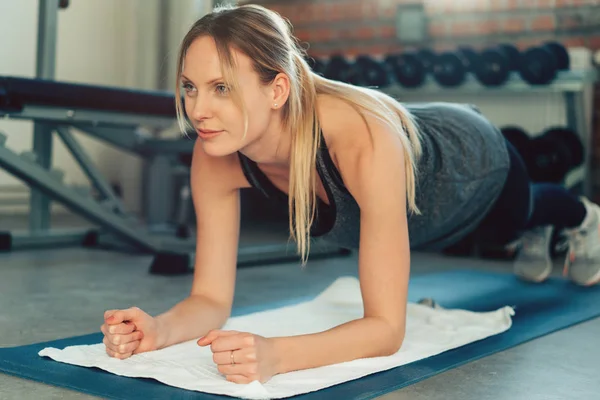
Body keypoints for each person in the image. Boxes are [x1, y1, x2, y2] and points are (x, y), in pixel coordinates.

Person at [100, 4, 600, 385]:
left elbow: (386, 329)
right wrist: (159, 331)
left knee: (515, 218)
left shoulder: (357, 138)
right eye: (190, 87)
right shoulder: (215, 156)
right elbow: (209, 298)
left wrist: (277, 356)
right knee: (498, 233)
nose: (198, 110)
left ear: (276, 90)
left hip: (473, 163)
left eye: (222, 88)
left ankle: (580, 216)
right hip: (416, 198)